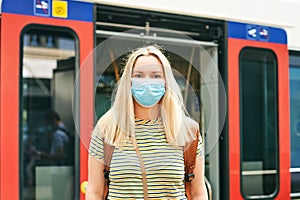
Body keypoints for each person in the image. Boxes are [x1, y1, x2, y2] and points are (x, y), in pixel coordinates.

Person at [87, 46, 207, 199]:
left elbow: (198, 193)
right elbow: (94, 193)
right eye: (139, 75)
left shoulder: (188, 131)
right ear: (128, 82)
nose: (147, 82)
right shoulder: (106, 128)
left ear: (166, 81)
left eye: (156, 76)